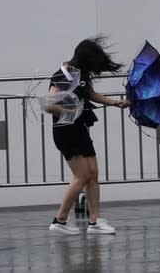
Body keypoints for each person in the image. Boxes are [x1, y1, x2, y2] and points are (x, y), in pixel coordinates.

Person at [47, 36, 129, 235]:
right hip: (65, 130)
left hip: (79, 128)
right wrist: (70, 111)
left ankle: (95, 221)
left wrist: (115, 102)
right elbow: (49, 104)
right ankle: (60, 220)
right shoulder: (63, 74)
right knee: (81, 175)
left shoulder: (81, 74)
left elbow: (90, 94)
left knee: (92, 174)